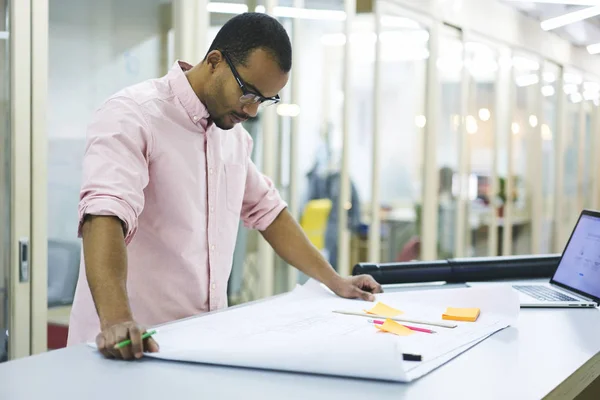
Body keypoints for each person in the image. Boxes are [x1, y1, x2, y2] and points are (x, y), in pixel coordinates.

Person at [67, 12, 382, 360]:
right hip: (127, 346)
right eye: (248, 93)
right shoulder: (133, 115)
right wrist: (117, 321)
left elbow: (269, 213)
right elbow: (105, 214)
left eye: (264, 100)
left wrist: (334, 280)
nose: (251, 110)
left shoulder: (232, 139)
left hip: (199, 345)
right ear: (214, 61)